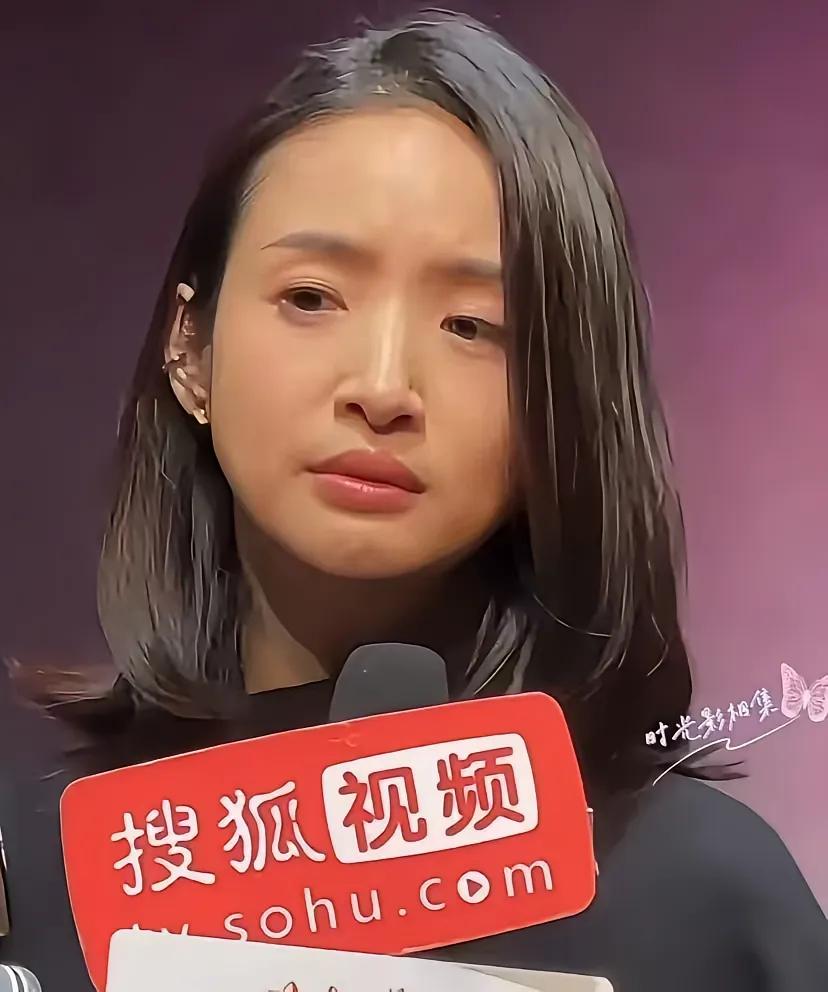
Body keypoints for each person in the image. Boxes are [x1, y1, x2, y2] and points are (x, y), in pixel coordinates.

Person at [1, 10, 825, 992]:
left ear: (562, 405)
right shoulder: (36, 867)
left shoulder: (705, 903)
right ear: (192, 348)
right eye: (311, 298)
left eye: (473, 325)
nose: (384, 386)